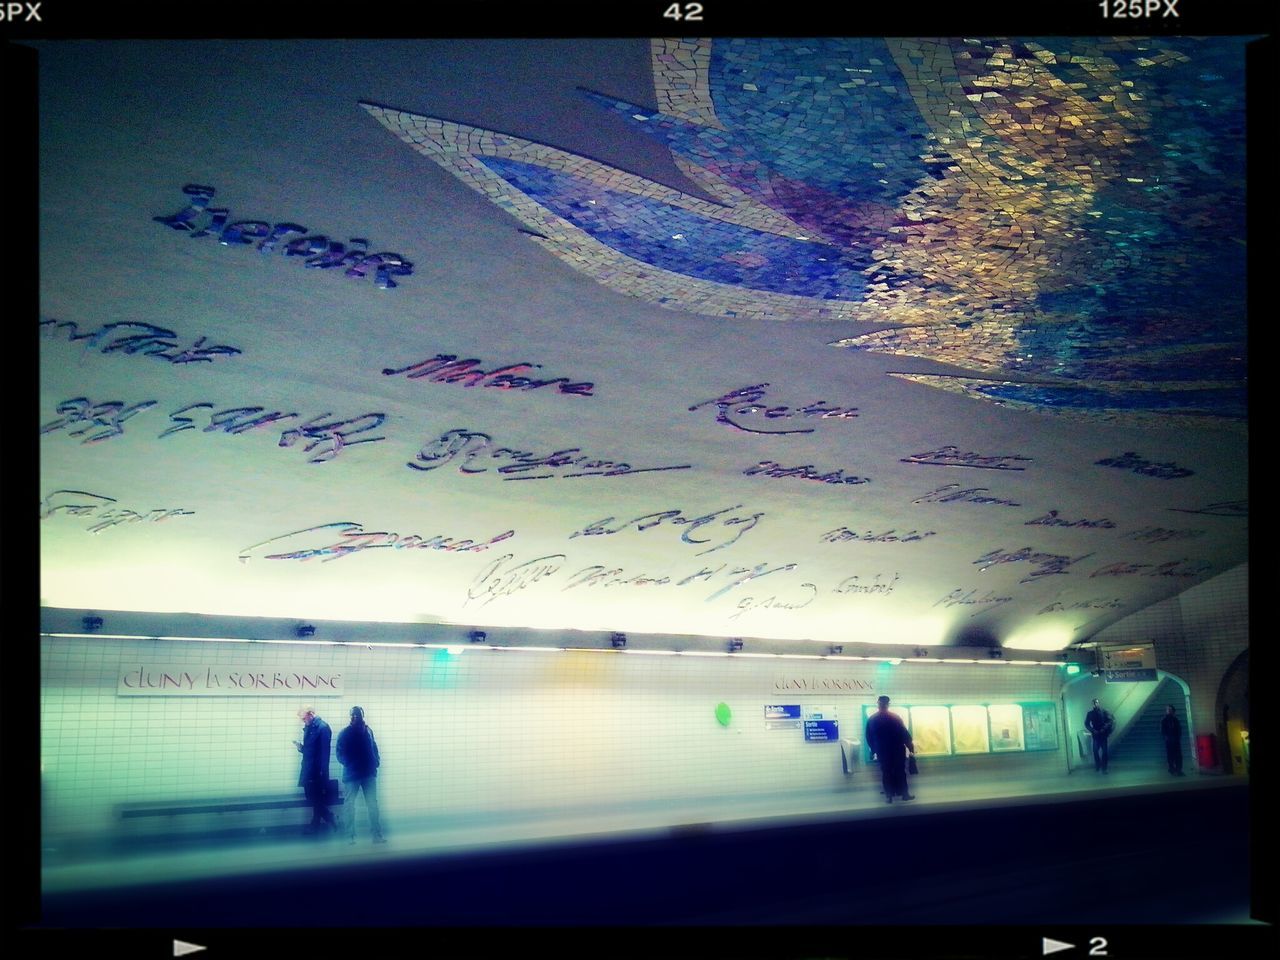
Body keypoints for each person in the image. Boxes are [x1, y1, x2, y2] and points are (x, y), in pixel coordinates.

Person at [337, 706, 385, 844]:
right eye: (352, 715)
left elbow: (374, 747)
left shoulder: (368, 731)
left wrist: (376, 761)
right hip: (352, 775)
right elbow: (340, 754)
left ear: (362, 716)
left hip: (368, 773)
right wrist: (351, 764)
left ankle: (376, 835)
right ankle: (349, 836)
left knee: (372, 805)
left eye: (357, 716)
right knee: (350, 806)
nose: (354, 718)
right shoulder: (344, 733)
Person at [865, 695, 916, 802]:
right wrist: (910, 748)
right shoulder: (895, 718)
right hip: (897, 750)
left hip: (883, 751)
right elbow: (904, 734)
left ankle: (889, 796)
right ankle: (904, 794)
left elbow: (869, 737)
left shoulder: (872, 719)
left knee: (886, 772)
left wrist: (874, 750)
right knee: (900, 772)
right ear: (888, 705)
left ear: (878, 705)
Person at [295, 705, 338, 833]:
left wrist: (322, 772)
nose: (303, 721)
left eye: (304, 718)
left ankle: (323, 821)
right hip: (310, 769)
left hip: (316, 771)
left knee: (314, 798)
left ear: (311, 714)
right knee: (314, 798)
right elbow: (312, 751)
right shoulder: (311, 727)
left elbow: (324, 752)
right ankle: (318, 823)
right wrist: (301, 748)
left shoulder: (323, 728)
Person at [1085, 698, 1114, 773]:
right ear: (1092, 704)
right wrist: (1093, 730)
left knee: (1105, 752)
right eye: (1094, 703)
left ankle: (1104, 768)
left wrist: (1104, 728)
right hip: (1096, 735)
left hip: (1103, 735)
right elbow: (1086, 724)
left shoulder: (1104, 712)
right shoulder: (1090, 713)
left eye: (1097, 702)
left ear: (1099, 703)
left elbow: (1110, 721)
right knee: (1095, 751)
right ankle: (1098, 765)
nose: (1095, 704)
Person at [1161, 705, 1185, 775]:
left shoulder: (1175, 720)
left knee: (1178, 756)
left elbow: (1179, 729)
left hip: (1175, 740)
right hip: (1169, 741)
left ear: (1173, 711)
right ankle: (1172, 769)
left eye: (1170, 710)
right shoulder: (1164, 720)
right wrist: (1167, 738)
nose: (1169, 711)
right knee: (1171, 756)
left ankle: (1178, 770)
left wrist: (1178, 737)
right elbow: (1163, 731)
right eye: (1168, 710)